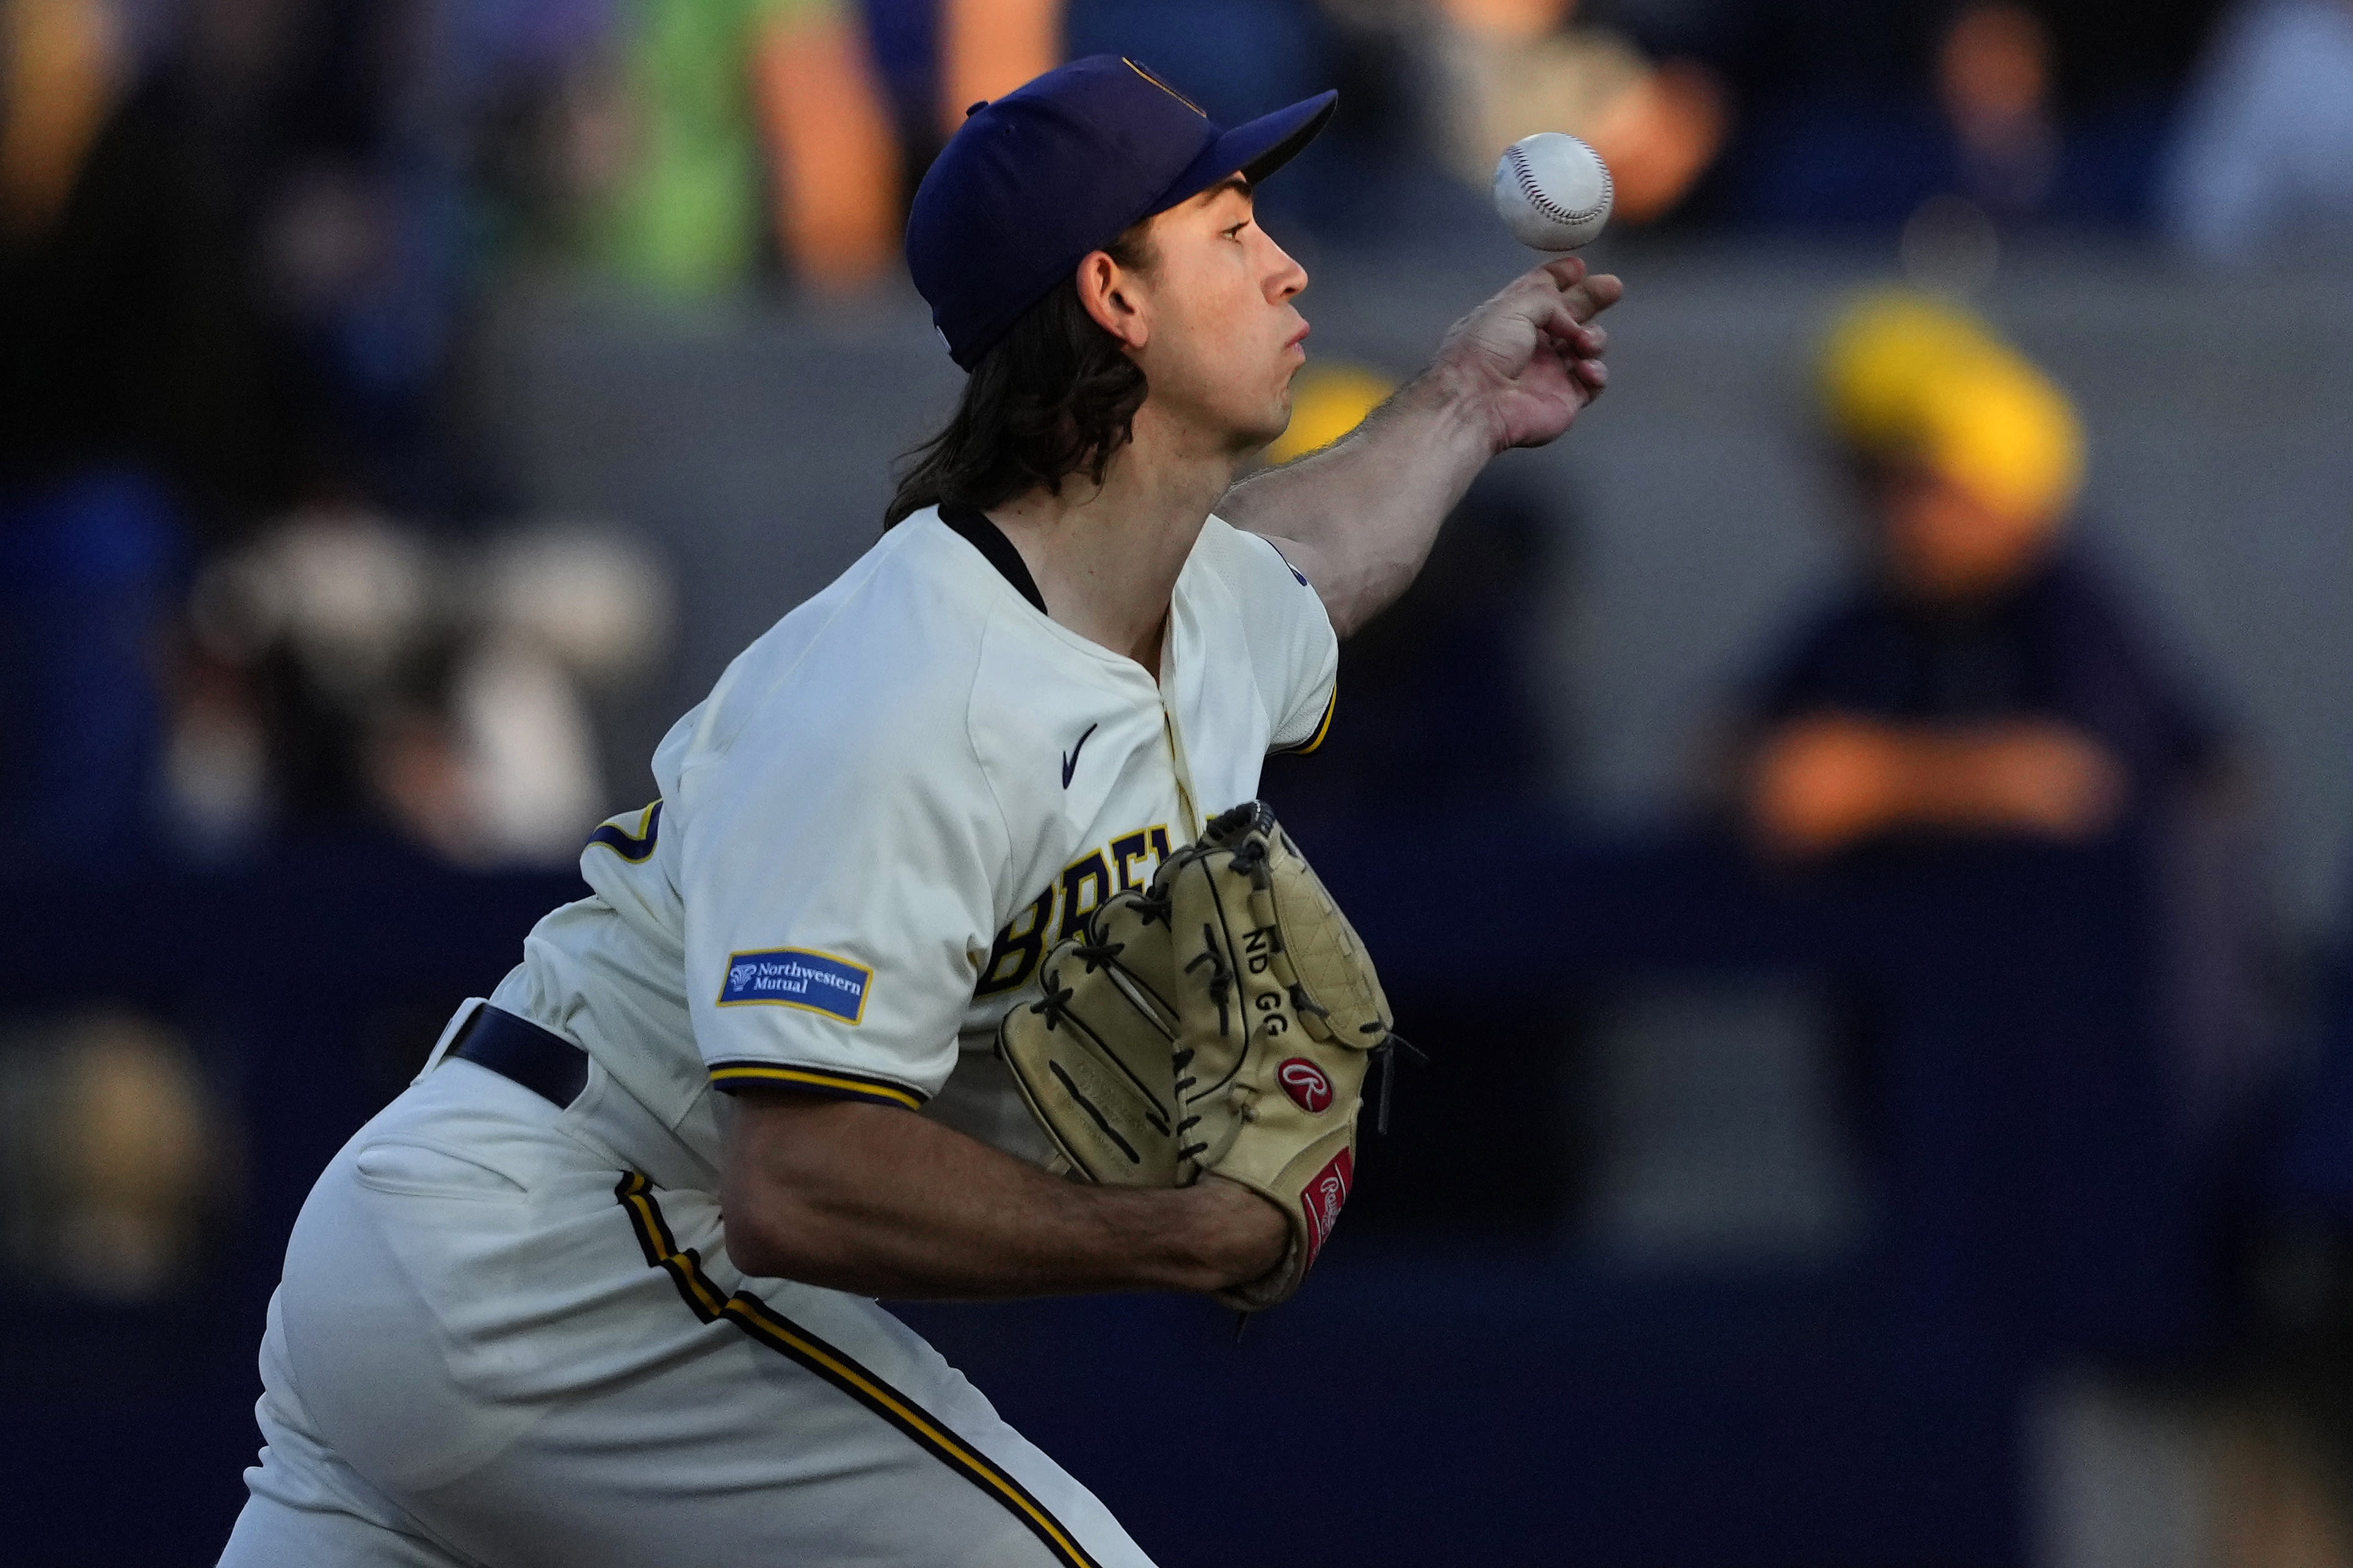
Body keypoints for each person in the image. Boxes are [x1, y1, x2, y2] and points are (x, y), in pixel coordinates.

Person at [219, 54, 1619, 1567]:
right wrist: (1179, 1233)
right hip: (561, 1250)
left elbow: (1316, 560)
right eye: (1227, 229)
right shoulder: (911, 690)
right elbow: (800, 1183)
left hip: (455, 1268)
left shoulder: (1189, 609)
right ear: (1114, 296)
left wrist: (1468, 397)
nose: (1287, 263)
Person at [1737, 291, 2221, 861]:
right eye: (1872, 482)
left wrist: (1880, 783)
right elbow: (1736, 746)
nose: (1903, 519)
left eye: (1925, 486)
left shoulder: (2067, 602)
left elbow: (2079, 781)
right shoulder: (1873, 614)